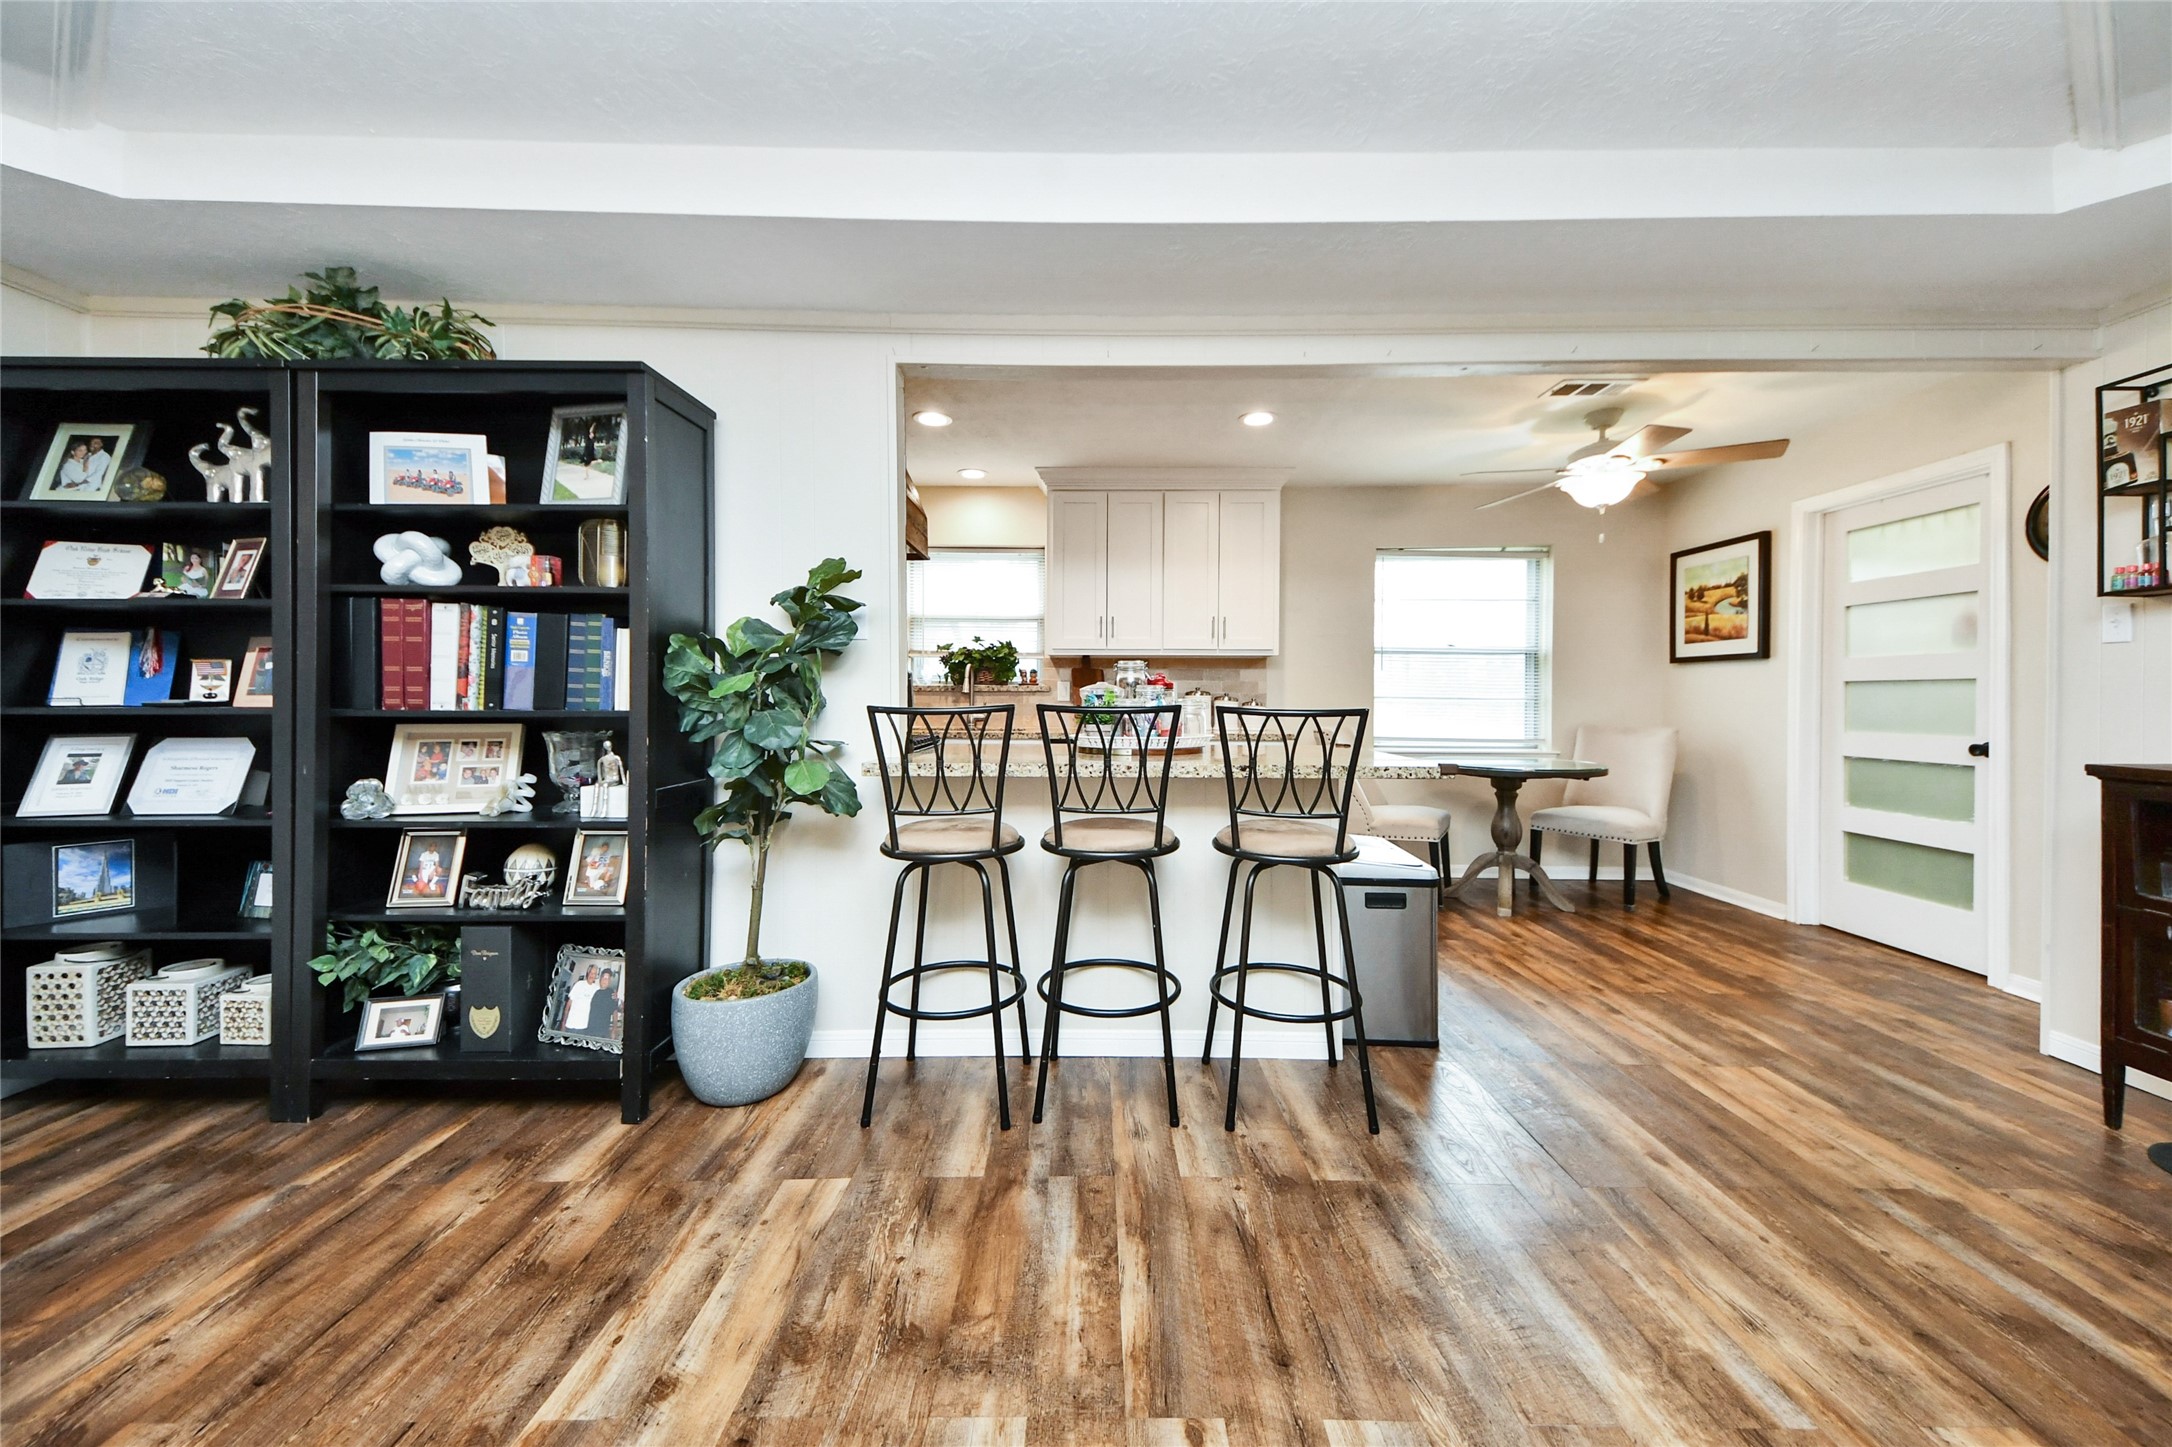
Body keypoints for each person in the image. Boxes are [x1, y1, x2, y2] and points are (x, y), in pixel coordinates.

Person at [563, 965, 600, 1030]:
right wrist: (563, 1022)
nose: (592, 975)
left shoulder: (597, 989)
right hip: (571, 1024)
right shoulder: (579, 984)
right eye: (590, 972)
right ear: (587, 973)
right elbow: (568, 1004)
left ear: (596, 976)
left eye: (594, 974)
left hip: (584, 1026)